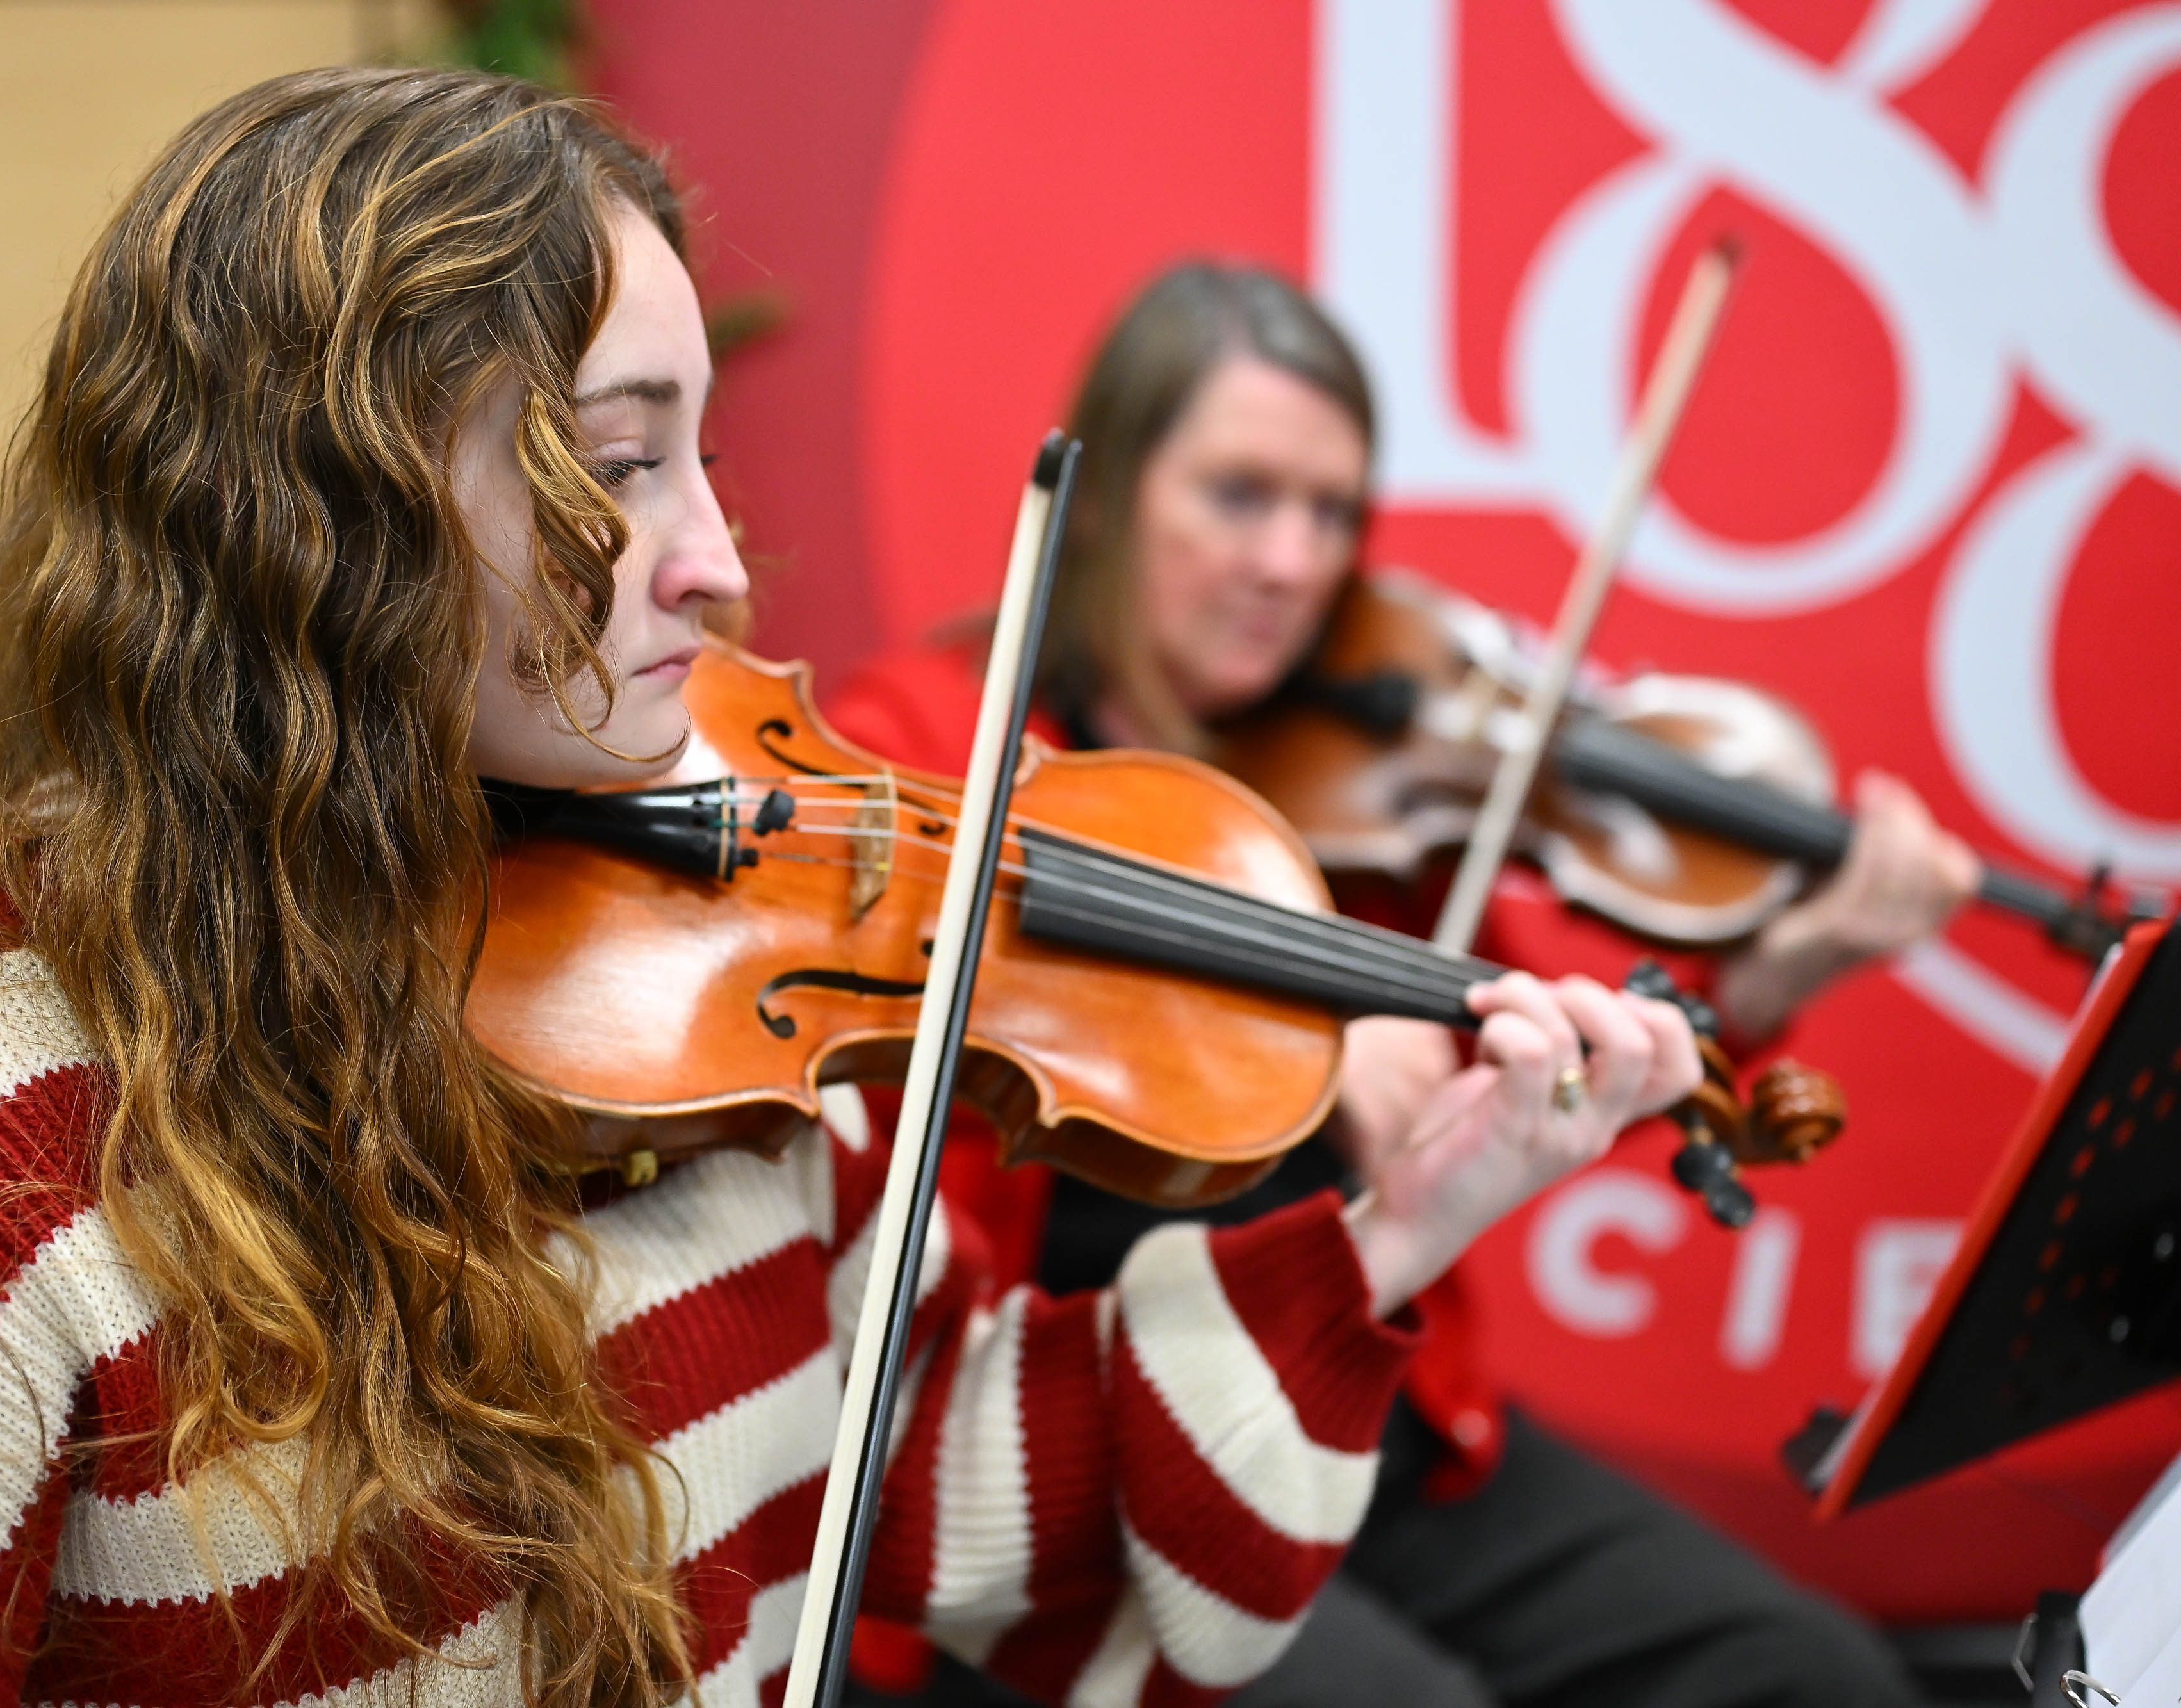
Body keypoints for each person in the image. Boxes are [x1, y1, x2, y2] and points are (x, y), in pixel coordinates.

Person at [0, 77, 1704, 1708]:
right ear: (318, 505)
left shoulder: (707, 1029)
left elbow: (936, 1478)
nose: (714, 558)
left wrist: (1406, 1219)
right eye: (622, 463)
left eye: (702, 454)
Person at [828, 264, 1982, 1708]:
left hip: (1360, 1407)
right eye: (1239, 496)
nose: (1293, 561)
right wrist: (1311, 1024)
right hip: (1080, 1452)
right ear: (1108, 494)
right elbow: (917, 976)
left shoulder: (1358, 789)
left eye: (1333, 513)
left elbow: (1529, 1051)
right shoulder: (931, 731)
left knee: (1807, 1674)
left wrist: (1767, 978)